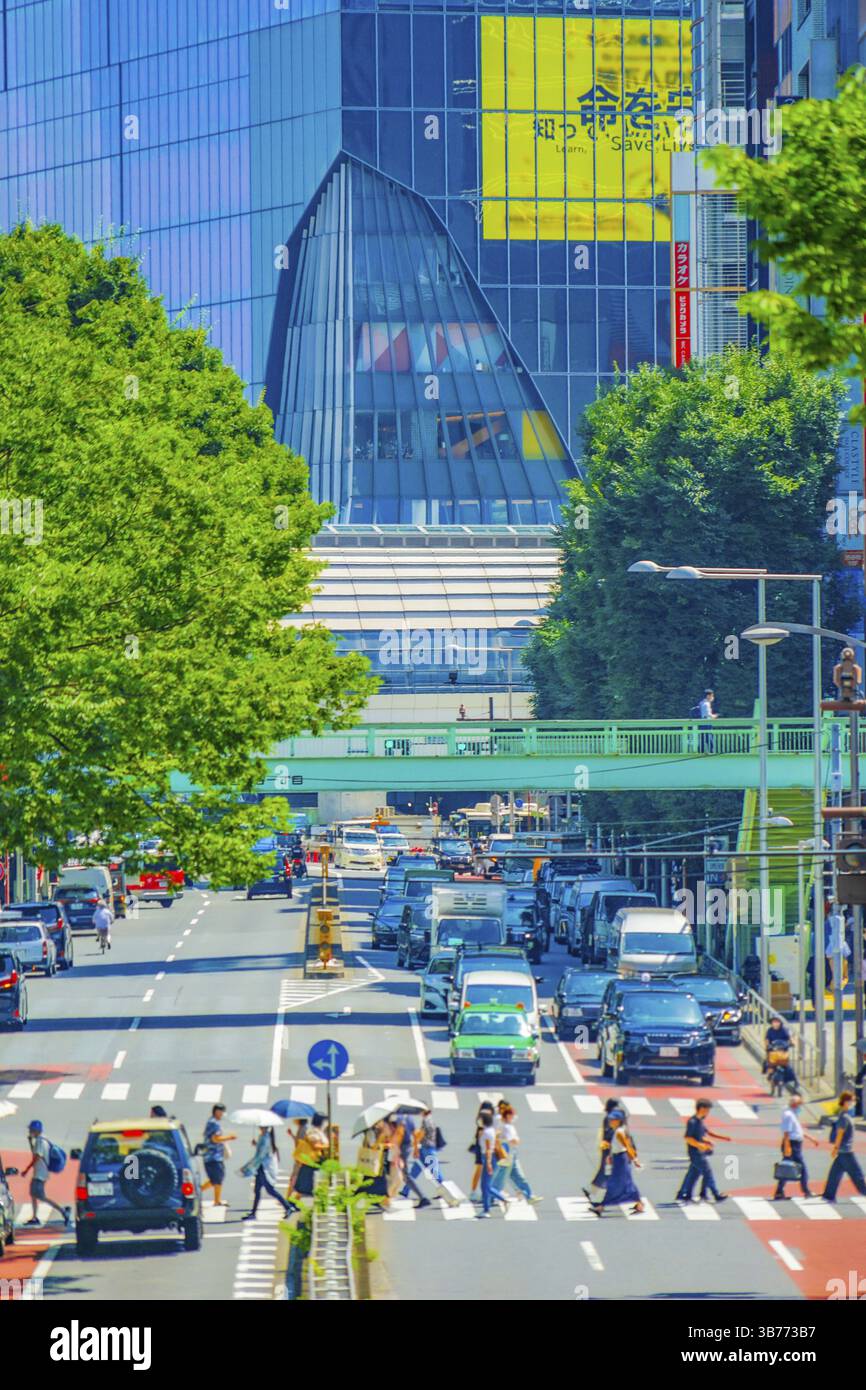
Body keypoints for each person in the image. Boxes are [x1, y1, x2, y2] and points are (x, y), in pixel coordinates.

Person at [675, 1100, 730, 1204]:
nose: (708, 1112)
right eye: (707, 1110)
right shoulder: (692, 1122)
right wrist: (700, 1145)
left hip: (700, 1152)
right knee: (707, 1172)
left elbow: (704, 1134)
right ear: (702, 1109)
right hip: (695, 1152)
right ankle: (715, 1194)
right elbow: (688, 1138)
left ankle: (684, 1194)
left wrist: (718, 1138)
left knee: (693, 1174)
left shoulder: (700, 1121)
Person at [589, 1110, 643, 1215]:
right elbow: (618, 1146)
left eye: (613, 1120)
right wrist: (610, 1155)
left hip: (621, 1160)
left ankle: (601, 1206)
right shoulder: (618, 1130)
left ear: (619, 1121)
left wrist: (635, 1160)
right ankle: (639, 1204)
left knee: (614, 1183)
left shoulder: (619, 1132)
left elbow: (627, 1147)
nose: (610, 1121)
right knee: (627, 1183)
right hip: (618, 1158)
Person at [20, 1120, 71, 1228]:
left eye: (31, 1130)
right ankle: (34, 1217)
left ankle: (63, 1211)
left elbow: (36, 1157)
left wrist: (26, 1169)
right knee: (33, 1194)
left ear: (36, 1130)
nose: (30, 1131)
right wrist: (30, 1142)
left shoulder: (40, 1141)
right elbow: (35, 1153)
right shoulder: (42, 1140)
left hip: (40, 1173)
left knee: (41, 1196)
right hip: (40, 1172)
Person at [241, 1126, 298, 1220]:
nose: (260, 1128)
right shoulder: (263, 1137)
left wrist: (249, 1166)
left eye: (262, 1126)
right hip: (261, 1167)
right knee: (257, 1190)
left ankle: (287, 1207)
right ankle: (254, 1213)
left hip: (264, 1168)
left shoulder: (266, 1138)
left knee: (270, 1190)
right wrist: (256, 1144)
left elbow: (261, 1154)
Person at [490, 1104, 542, 1204]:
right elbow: (512, 1140)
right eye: (512, 1115)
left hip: (508, 1154)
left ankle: (528, 1195)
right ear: (508, 1116)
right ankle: (492, 1196)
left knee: (511, 1176)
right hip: (508, 1154)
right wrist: (516, 1140)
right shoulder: (507, 1127)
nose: (514, 1117)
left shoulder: (503, 1125)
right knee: (505, 1177)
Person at [822, 1090, 866, 1203]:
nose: (854, 1103)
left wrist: (836, 1149)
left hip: (843, 1150)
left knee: (835, 1173)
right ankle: (864, 1191)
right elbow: (840, 1134)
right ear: (846, 1102)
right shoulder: (844, 1117)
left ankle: (828, 1195)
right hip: (846, 1151)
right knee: (857, 1174)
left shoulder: (844, 1115)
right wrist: (835, 1148)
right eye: (852, 1101)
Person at [773, 1092, 818, 1200]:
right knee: (802, 1168)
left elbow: (798, 1130)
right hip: (792, 1145)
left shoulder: (793, 1114)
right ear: (794, 1104)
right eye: (799, 1104)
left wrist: (811, 1138)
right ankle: (806, 1190)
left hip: (795, 1144)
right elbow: (786, 1132)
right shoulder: (788, 1115)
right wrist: (787, 1147)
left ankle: (779, 1192)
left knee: (786, 1168)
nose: (800, 1107)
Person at [413, 1106, 459, 1207]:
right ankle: (406, 1190)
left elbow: (421, 1134)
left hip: (427, 1148)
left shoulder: (426, 1121)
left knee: (434, 1172)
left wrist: (415, 1142)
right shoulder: (430, 1120)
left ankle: (446, 1190)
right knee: (417, 1168)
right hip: (427, 1148)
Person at [582, 1097, 621, 1207]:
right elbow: (612, 1134)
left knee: (604, 1171)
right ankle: (599, 1193)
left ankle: (591, 1191)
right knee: (607, 1171)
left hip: (606, 1147)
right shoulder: (611, 1118)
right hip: (610, 1148)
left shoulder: (609, 1117)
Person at [201, 1102, 236, 1208]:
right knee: (217, 1178)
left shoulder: (212, 1122)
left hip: (213, 1155)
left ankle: (216, 1200)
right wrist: (229, 1138)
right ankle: (199, 1192)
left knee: (216, 1178)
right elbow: (215, 1139)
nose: (222, 1114)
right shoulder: (214, 1123)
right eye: (221, 1112)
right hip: (213, 1156)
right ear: (216, 1111)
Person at [291, 1113, 328, 1199]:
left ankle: (294, 1203)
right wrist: (327, 1146)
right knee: (306, 1186)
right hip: (311, 1162)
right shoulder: (313, 1132)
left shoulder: (319, 1132)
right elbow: (314, 1146)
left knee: (309, 1186)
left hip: (315, 1162)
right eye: (325, 1121)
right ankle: (292, 1204)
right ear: (321, 1122)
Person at [698, 688, 717, 753]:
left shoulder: (701, 703)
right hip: (706, 723)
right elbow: (707, 714)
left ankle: (701, 752)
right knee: (709, 738)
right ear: (708, 696)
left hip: (702, 723)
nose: (713, 697)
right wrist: (714, 716)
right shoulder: (706, 704)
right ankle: (712, 752)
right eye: (712, 695)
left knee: (703, 739)